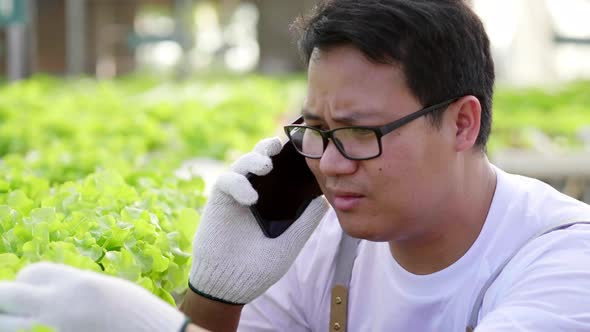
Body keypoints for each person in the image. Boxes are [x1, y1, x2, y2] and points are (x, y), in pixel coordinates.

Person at [1, 0, 590, 331]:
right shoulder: (324, 244)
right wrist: (216, 293)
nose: (329, 165)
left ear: (462, 122)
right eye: (315, 130)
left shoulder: (563, 259)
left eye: (360, 131)